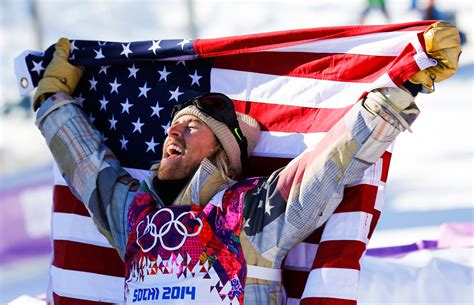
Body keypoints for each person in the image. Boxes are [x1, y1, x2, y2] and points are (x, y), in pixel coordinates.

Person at [33, 22, 460, 305]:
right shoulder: (134, 217)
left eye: (190, 127)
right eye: (173, 126)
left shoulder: (247, 215)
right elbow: (86, 163)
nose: (172, 133)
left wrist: (403, 85)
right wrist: (52, 99)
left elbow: (331, 163)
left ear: (222, 154)